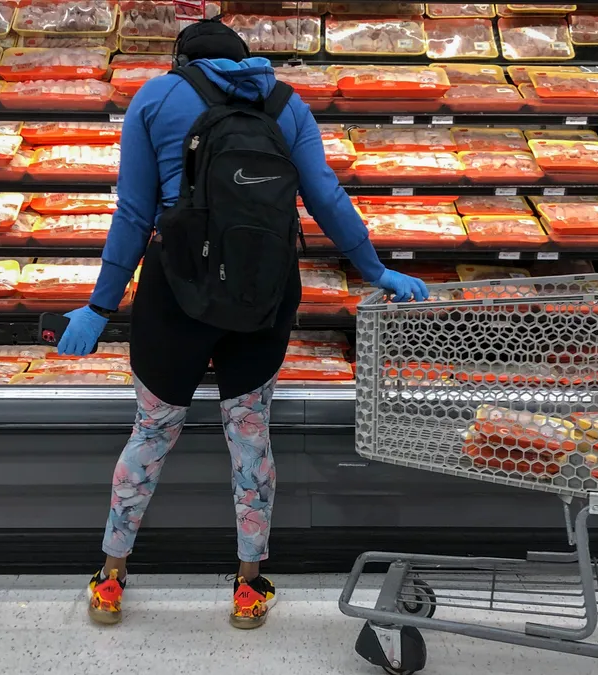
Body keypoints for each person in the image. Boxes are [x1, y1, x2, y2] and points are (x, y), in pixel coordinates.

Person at [55, 18, 429, 630]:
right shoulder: (285, 102)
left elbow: (132, 211)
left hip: (175, 293)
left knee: (151, 434)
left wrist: (100, 306)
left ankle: (111, 577)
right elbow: (327, 197)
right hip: (263, 293)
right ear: (244, 60)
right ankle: (249, 588)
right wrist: (375, 270)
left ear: (184, 60)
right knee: (250, 434)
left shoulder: (155, 96)